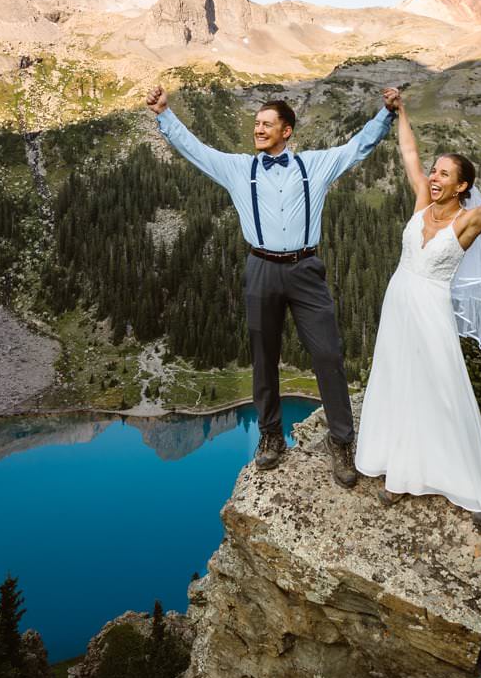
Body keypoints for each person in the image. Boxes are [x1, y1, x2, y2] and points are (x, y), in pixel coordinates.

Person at [144, 83, 400, 488]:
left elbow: (358, 147)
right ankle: (270, 436)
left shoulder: (314, 166)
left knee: (328, 355)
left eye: (266, 124)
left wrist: (386, 115)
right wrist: (165, 114)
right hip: (260, 267)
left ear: (287, 132)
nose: (258, 130)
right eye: (256, 124)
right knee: (264, 356)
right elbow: (196, 151)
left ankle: (341, 441)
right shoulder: (238, 169)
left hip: (306, 269)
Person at [354, 92, 481, 528]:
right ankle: (397, 471)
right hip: (399, 301)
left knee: (442, 389)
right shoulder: (422, 201)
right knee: (396, 380)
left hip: (431, 308)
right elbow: (409, 151)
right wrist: (401, 112)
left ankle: (473, 487)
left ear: (462, 185)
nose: (435, 177)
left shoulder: (467, 221)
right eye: (435, 171)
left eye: (445, 174)